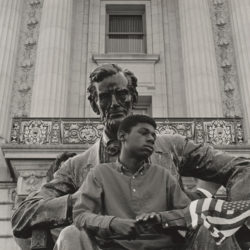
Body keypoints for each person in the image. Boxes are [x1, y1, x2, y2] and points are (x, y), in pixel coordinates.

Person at [12, 64, 250, 249]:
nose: (114, 103)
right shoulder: (78, 166)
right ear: (95, 105)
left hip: (172, 242)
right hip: (105, 243)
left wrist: (239, 214)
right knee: (72, 235)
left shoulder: (173, 147)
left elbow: (241, 167)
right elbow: (24, 213)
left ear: (133, 99)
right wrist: (79, 200)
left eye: (121, 94)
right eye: (104, 97)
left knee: (208, 227)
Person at [70, 114, 191, 250]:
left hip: (163, 246)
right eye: (144, 133)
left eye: (153, 136)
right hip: (115, 246)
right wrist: (112, 223)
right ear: (122, 136)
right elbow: (80, 215)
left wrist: (161, 218)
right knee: (70, 233)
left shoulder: (163, 175)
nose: (151, 139)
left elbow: (189, 213)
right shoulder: (100, 173)